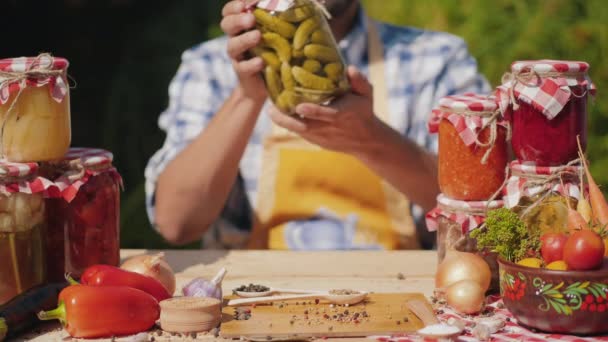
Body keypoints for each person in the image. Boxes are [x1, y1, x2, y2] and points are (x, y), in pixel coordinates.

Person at [145, 0, 490, 250]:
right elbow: (176, 223)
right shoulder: (208, 66)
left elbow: (487, 212)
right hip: (252, 301)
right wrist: (246, 97)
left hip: (403, 300)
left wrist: (372, 141)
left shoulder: (438, 59)